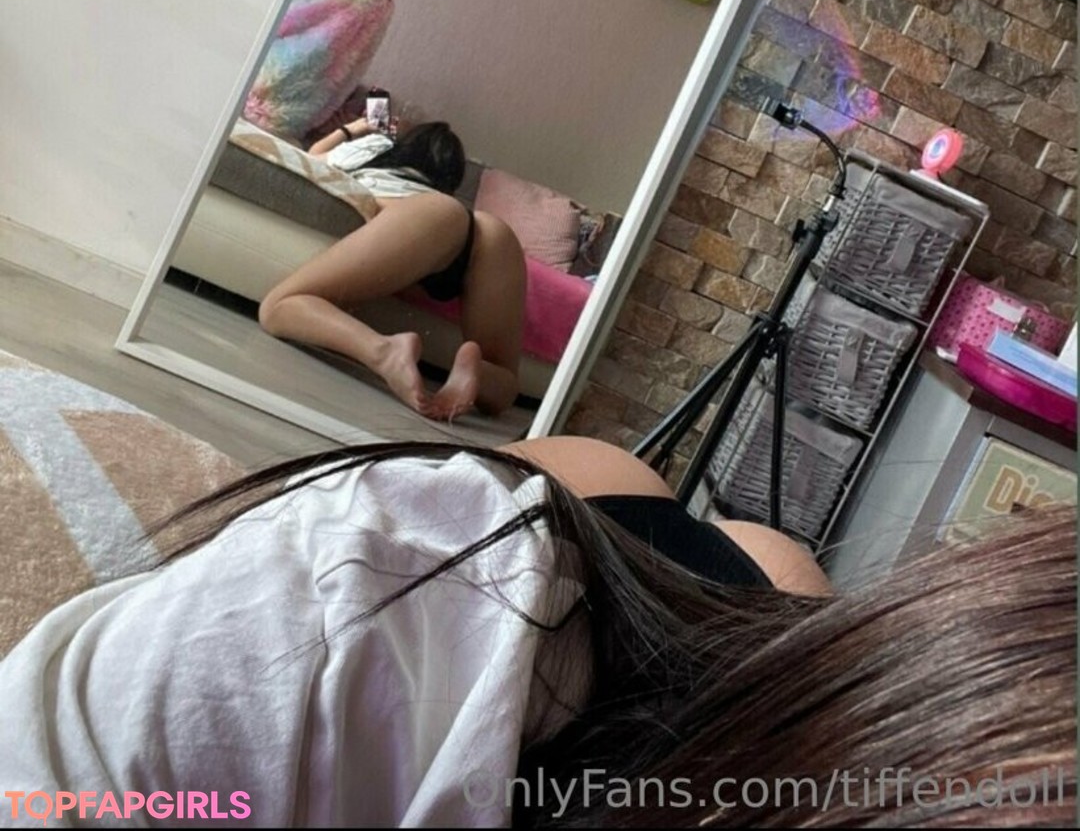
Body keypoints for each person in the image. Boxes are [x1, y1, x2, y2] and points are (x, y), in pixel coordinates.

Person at [0, 435, 1072, 828]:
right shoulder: (402, 598)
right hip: (655, 637)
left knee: (751, 555)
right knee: (739, 556)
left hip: (714, 636)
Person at [258, 118, 526, 420]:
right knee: (505, 377)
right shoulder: (444, 195)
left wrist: (354, 129)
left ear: (403, 147)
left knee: (278, 306)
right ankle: (479, 370)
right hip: (492, 232)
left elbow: (312, 157)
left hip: (430, 216)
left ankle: (385, 351)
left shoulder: (374, 149)